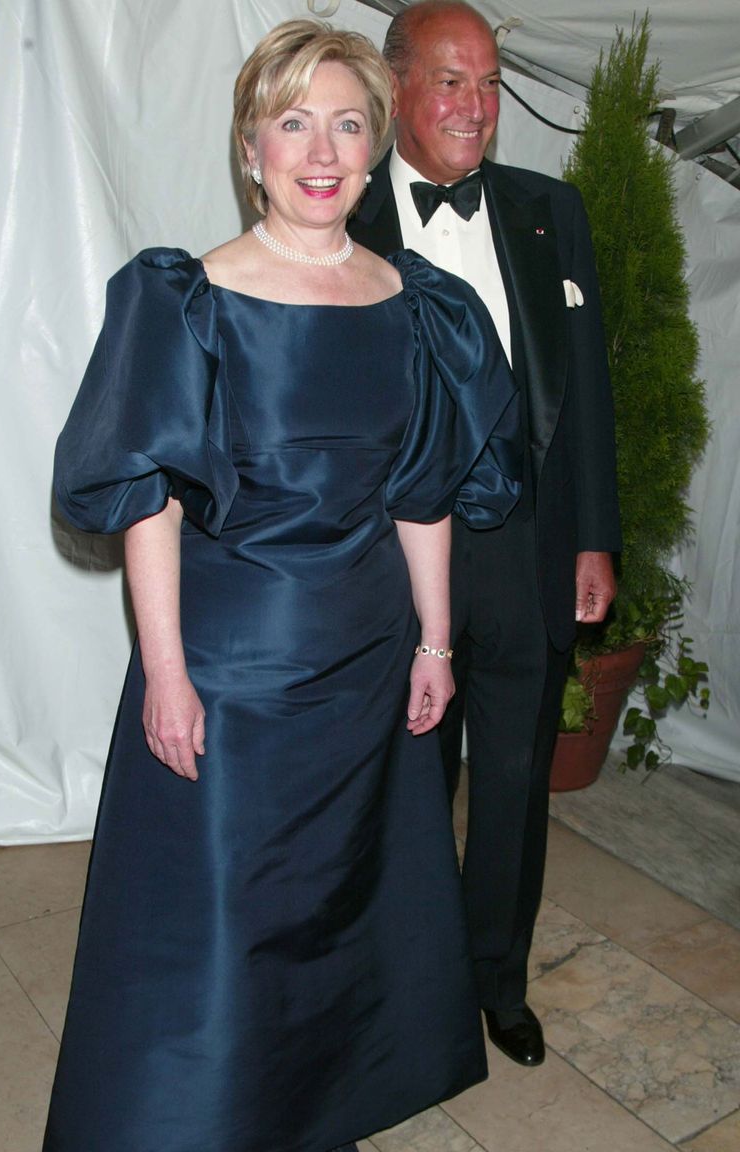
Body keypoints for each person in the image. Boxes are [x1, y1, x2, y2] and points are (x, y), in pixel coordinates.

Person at [43, 19, 522, 1152]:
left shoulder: (418, 306)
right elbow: (152, 505)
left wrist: (435, 644)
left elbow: (422, 494)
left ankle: (311, 1112)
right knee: (222, 920)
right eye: (293, 122)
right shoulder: (189, 300)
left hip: (368, 665)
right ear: (251, 146)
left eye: (347, 125)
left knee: (337, 913)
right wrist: (166, 673)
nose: (321, 151)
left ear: (374, 147)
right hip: (232, 673)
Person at [351, 0, 621, 1068]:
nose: (476, 105)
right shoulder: (340, 212)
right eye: (451, 80)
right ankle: (397, 981)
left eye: (491, 82)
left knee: (513, 778)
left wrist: (594, 537)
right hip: (389, 557)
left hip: (524, 547)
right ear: (397, 90)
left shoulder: (552, 211)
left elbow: (585, 391)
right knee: (401, 783)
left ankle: (496, 980)